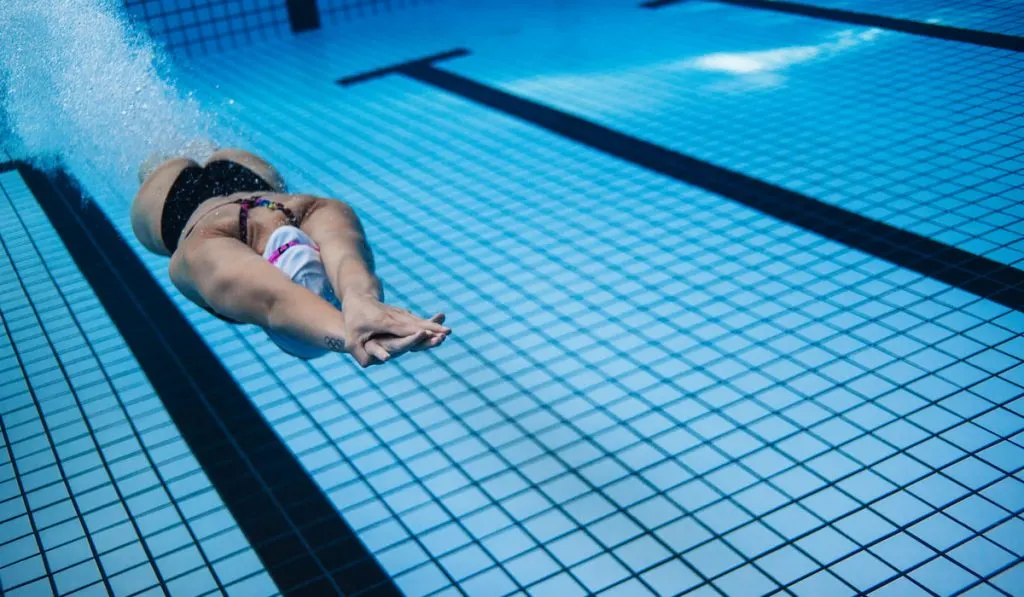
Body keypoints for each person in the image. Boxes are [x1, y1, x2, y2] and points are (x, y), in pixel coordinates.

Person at [131, 147, 450, 366]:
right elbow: (347, 263)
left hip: (177, 202)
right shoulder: (316, 212)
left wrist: (349, 335)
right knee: (184, 154)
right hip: (242, 179)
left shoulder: (209, 264)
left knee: (158, 162)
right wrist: (360, 300)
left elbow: (277, 302)